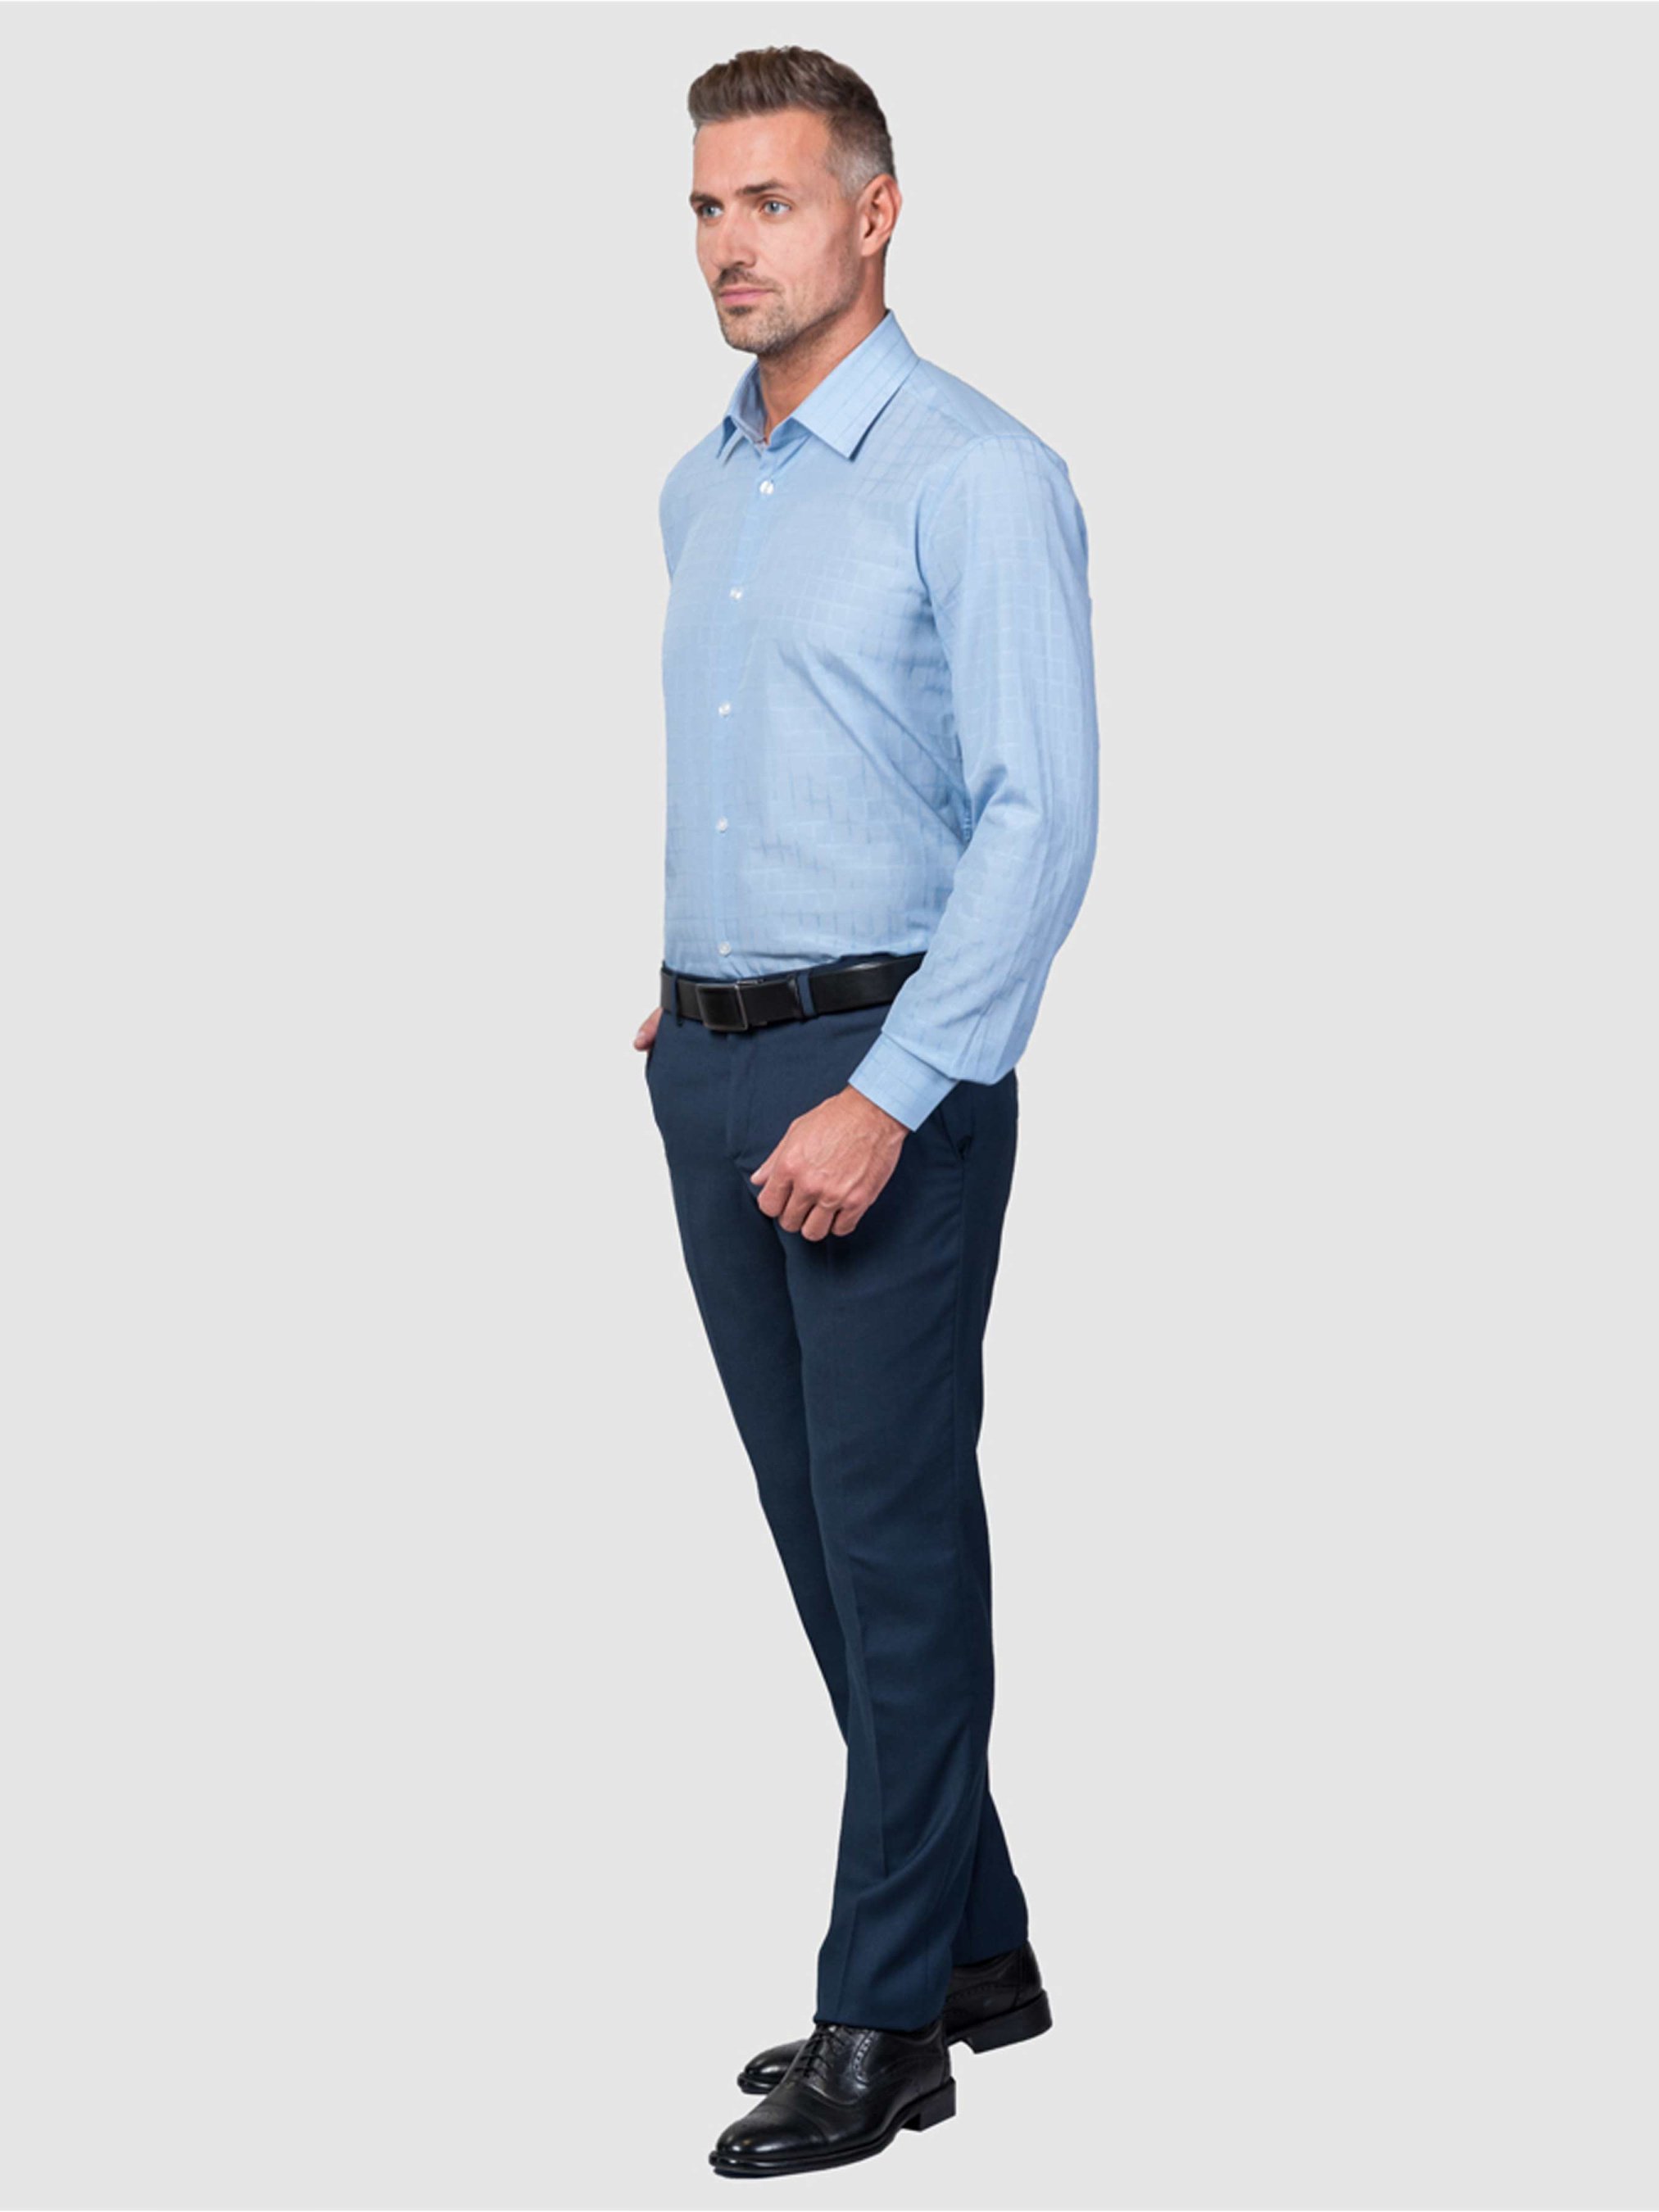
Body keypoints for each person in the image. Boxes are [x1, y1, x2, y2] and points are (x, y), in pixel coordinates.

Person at [635, 43, 1099, 2181]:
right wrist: (695, 993)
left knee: (895, 1553)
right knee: (825, 1544)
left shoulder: (974, 475)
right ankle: (977, 1945)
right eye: (705, 207)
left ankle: (883, 2018)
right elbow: (787, 768)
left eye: (772, 201)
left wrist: (886, 1088)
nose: (730, 245)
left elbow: (1038, 818)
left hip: (881, 1084)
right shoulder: (700, 486)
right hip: (715, 1062)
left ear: (874, 213)